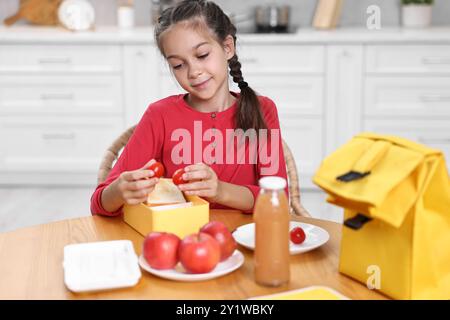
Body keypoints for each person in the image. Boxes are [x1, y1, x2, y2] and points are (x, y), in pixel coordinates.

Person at [90, 0, 288, 216]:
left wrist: (221, 191)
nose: (193, 71)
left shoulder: (263, 109)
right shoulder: (160, 115)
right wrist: (119, 191)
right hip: (179, 241)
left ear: (227, 47)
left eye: (202, 55)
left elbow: (279, 200)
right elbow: (99, 203)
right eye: (178, 65)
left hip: (246, 241)